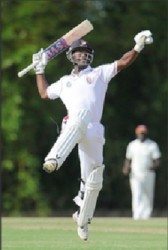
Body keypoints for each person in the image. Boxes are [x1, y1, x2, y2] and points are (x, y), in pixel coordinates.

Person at [33, 30, 153, 240]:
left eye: (85, 52)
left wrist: (137, 47)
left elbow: (123, 63)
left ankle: (82, 218)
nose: (82, 55)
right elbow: (44, 94)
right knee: (78, 117)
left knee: (94, 178)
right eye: (78, 52)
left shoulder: (99, 73)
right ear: (70, 56)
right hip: (72, 125)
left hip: (95, 130)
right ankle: (53, 158)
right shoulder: (64, 82)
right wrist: (39, 70)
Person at [122, 125, 161, 220]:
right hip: (136, 174)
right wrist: (126, 168)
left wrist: (152, 167)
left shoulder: (152, 145)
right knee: (137, 194)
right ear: (136, 134)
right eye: (140, 133)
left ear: (146, 133)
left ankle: (147, 215)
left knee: (148, 195)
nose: (141, 135)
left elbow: (157, 160)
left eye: (143, 133)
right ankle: (137, 215)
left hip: (149, 174)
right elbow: (128, 159)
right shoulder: (132, 145)